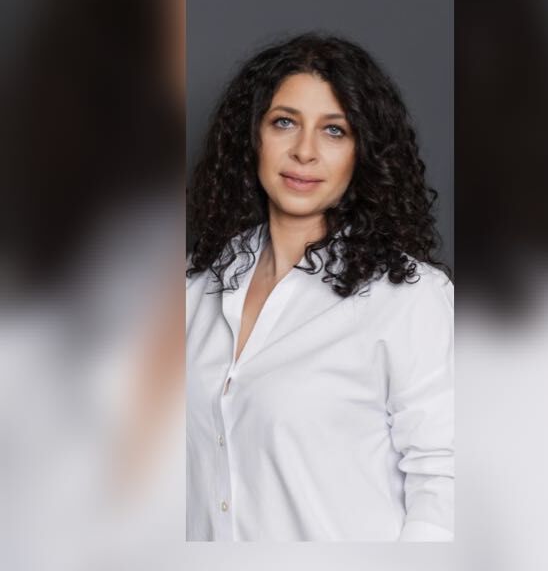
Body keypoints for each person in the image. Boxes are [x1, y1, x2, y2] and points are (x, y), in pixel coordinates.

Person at [186, 32, 454, 542]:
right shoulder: (196, 286)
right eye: (284, 122)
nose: (304, 152)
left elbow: (445, 489)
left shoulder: (409, 297)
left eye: (334, 130)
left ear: (362, 152)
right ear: (253, 137)